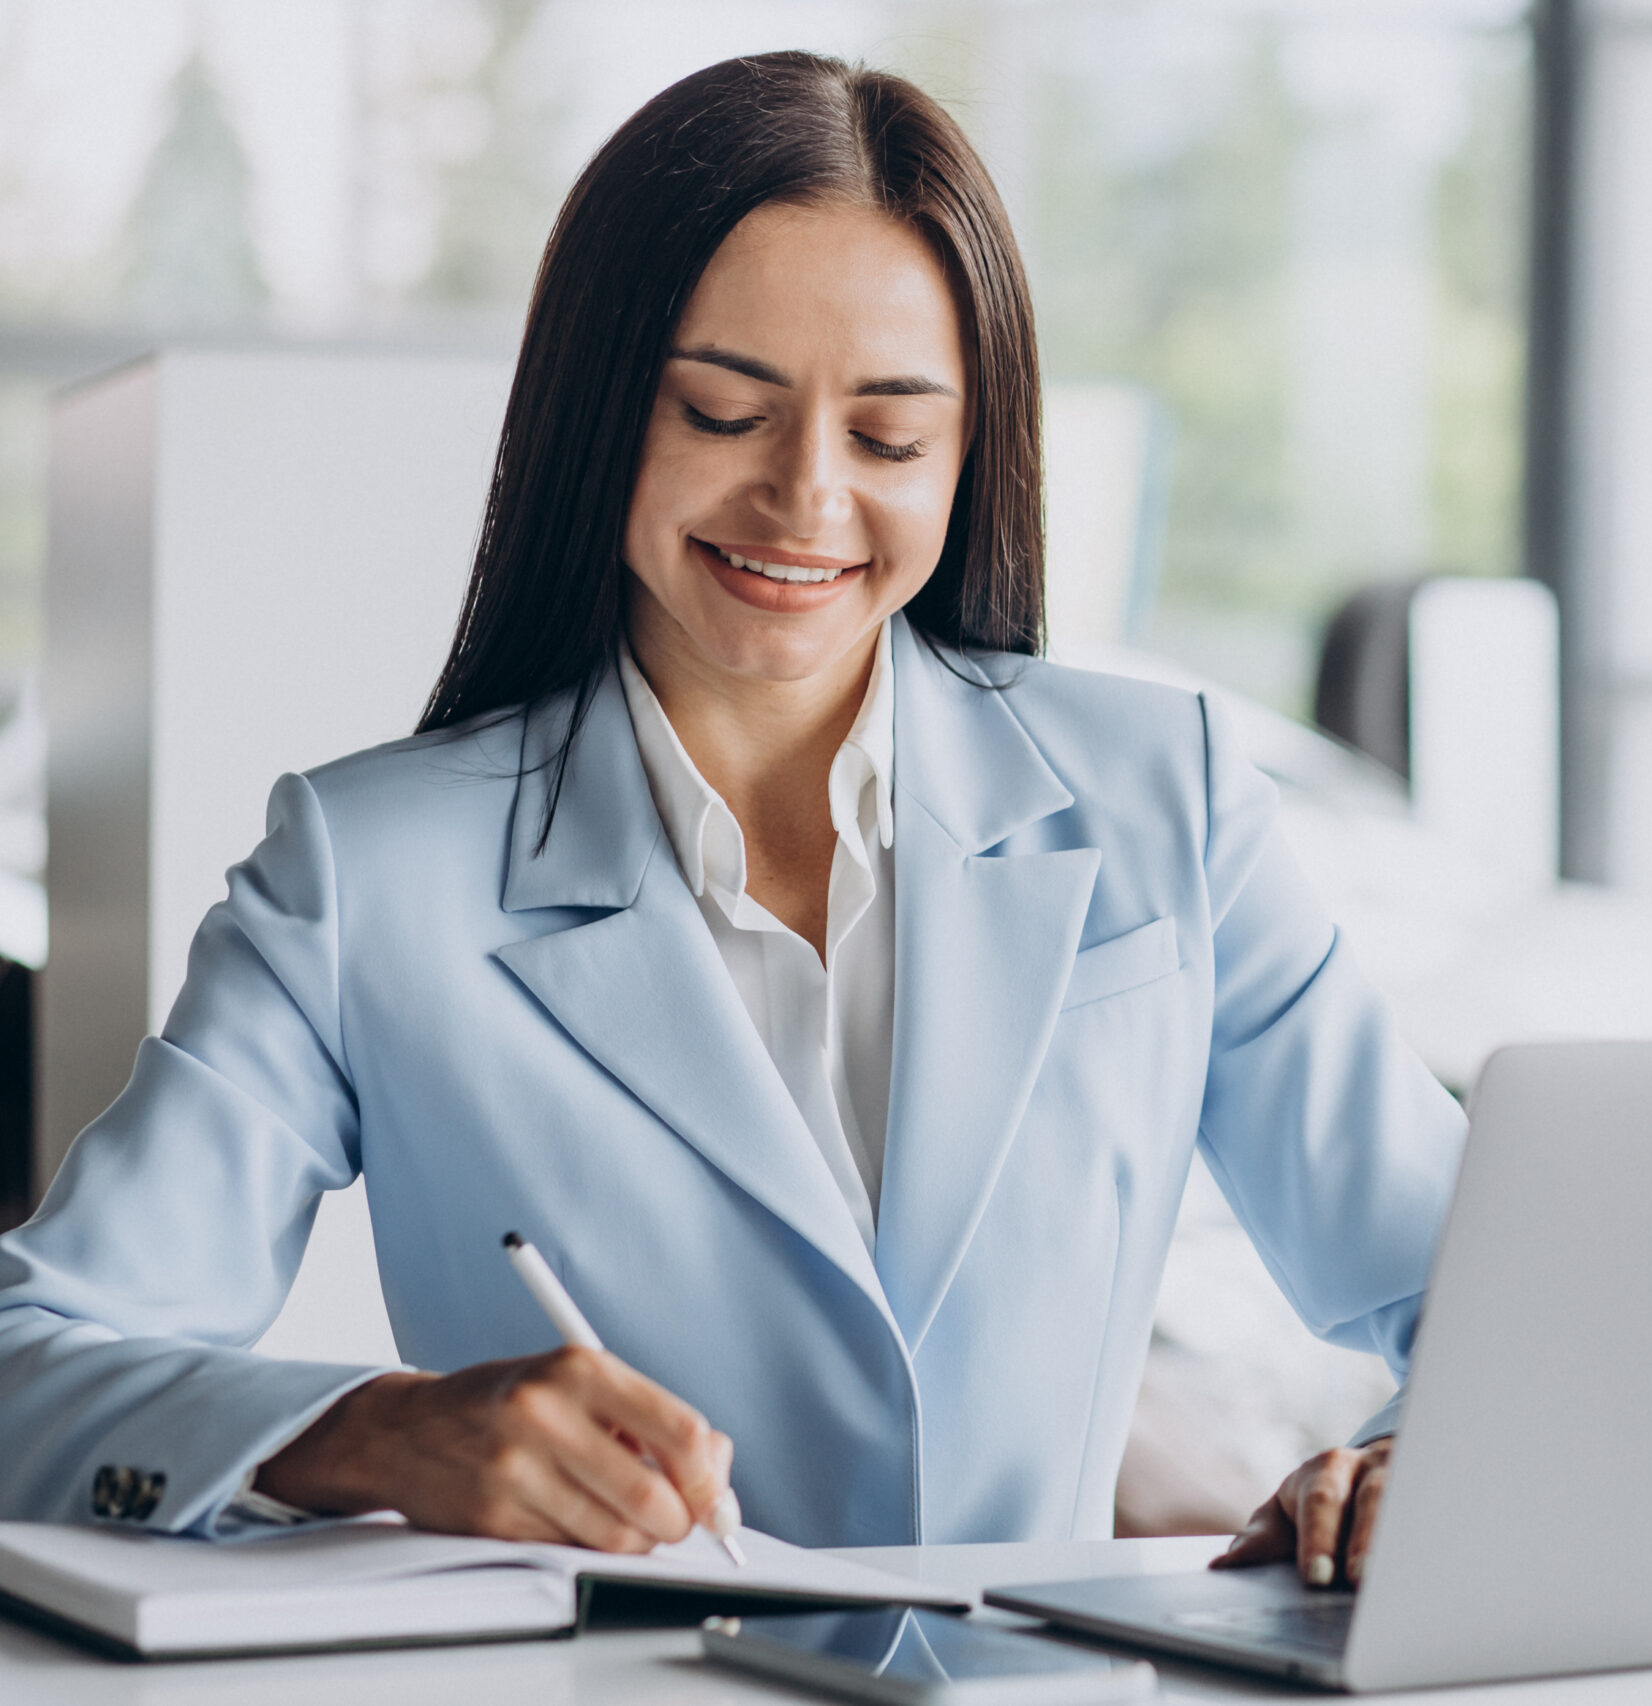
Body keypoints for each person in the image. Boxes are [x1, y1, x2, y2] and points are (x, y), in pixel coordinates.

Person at [0, 53, 1462, 1591]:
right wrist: (374, 1431)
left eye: (891, 438)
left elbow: (1490, 1300)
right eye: (720, 412)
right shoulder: (369, 875)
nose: (806, 499)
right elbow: (31, 1361)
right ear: (597, 411)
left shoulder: (1170, 799)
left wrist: (1407, 1467)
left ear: (973, 454)